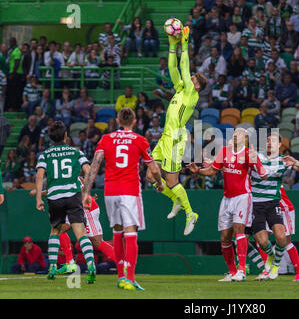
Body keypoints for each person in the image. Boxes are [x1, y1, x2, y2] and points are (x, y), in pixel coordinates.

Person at [82, 108, 163, 291]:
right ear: (134, 122)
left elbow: (94, 166)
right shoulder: (140, 140)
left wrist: (86, 192)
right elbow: (155, 169)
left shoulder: (106, 139)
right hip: (130, 191)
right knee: (131, 232)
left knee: (117, 232)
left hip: (110, 191)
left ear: (118, 120)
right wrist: (159, 183)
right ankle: (131, 277)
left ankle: (120, 276)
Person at [187, 128, 267, 282]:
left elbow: (262, 173)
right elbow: (212, 171)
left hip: (243, 196)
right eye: (234, 134)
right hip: (227, 198)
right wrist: (198, 170)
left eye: (239, 135)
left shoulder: (249, 153)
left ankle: (242, 270)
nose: (235, 136)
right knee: (224, 238)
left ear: (245, 138)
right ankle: (232, 271)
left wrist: (260, 164)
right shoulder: (224, 151)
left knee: (239, 230)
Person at [150, 27, 207, 236]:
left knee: (172, 182)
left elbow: (184, 65)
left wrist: (184, 43)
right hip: (165, 137)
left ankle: (191, 213)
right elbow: (174, 67)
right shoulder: (181, 90)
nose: (188, 78)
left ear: (197, 87)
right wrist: (171, 45)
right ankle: (176, 200)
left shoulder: (192, 95)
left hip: (175, 138)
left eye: (193, 78)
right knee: (150, 175)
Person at [35, 121, 96, 283]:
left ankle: (53, 266)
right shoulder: (76, 152)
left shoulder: (45, 154)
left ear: (50, 137)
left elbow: (40, 175)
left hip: (55, 196)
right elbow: (88, 170)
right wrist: (87, 193)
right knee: (80, 233)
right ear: (66, 135)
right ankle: (91, 266)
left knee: (55, 231)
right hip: (73, 195)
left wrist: (39, 199)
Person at [250, 133, 299, 281]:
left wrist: (295, 161)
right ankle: (267, 268)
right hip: (256, 203)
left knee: (284, 240)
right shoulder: (257, 157)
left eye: (273, 141)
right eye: (267, 140)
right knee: (261, 240)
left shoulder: (283, 161)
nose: (269, 143)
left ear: (280, 145)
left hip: (281, 205)